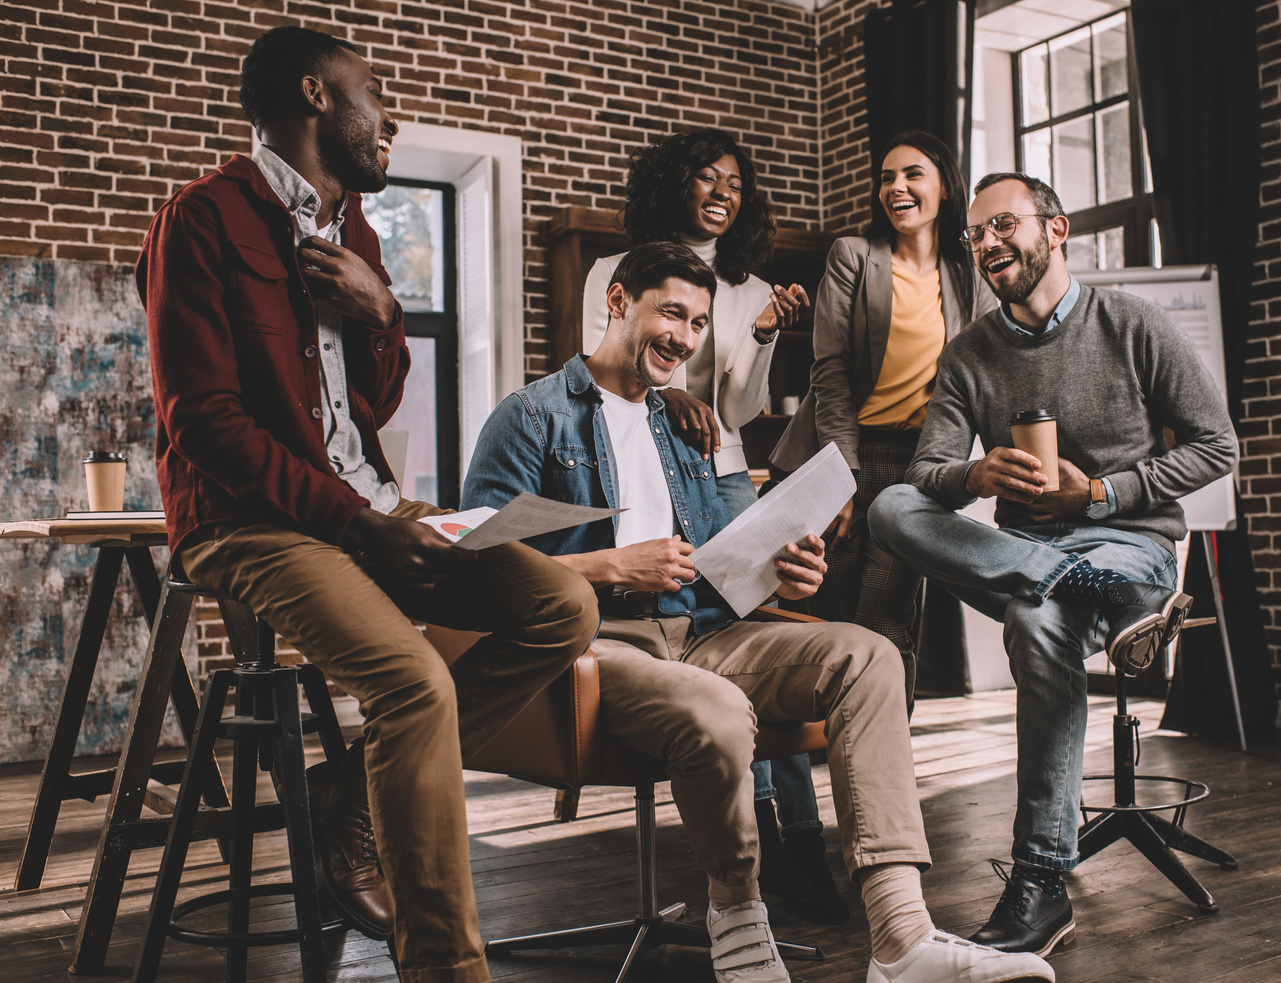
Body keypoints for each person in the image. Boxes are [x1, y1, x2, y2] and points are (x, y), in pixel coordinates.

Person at [136, 26, 599, 983]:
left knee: (564, 603)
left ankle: (348, 793)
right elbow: (204, 424)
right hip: (248, 522)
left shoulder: (354, 232)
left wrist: (384, 311)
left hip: (367, 503)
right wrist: (360, 528)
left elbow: (369, 405)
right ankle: (445, 967)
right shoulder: (205, 218)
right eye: (373, 91)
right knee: (414, 684)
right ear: (315, 95)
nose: (387, 115)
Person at [463, 240, 1055, 983]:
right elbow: (475, 566)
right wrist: (612, 565)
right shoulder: (530, 418)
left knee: (868, 653)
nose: (685, 337)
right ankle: (739, 920)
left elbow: (718, 570)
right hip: (596, 644)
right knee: (716, 705)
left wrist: (782, 577)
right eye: (671, 312)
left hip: (704, 633)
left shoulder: (682, 424)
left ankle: (902, 936)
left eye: (699, 322)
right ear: (617, 303)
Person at [868, 172, 1238, 956]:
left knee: (1040, 623)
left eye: (1004, 225)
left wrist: (1100, 491)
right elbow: (926, 473)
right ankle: (1088, 591)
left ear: (1056, 228)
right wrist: (976, 475)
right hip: (1025, 553)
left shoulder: (1132, 324)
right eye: (977, 235)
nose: (989, 243)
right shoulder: (968, 355)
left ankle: (1039, 880)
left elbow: (1217, 445)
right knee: (889, 509)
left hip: (1124, 539)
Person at [583, 128, 842, 924]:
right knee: (714, 653)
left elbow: (736, 410)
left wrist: (763, 334)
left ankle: (801, 838)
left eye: (736, 181)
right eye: (707, 177)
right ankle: (755, 836)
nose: (724, 191)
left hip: (721, 473)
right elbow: (593, 381)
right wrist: (669, 397)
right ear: (675, 184)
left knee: (760, 642)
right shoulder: (609, 272)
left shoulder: (749, 284)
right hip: (641, 479)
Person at [769, 130, 999, 703]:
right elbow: (831, 371)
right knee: (825, 611)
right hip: (840, 450)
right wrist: (840, 476)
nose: (896, 187)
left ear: (944, 187)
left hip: (918, 466)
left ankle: (882, 753)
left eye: (912, 174)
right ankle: (809, 755)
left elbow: (988, 370)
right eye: (887, 177)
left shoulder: (970, 273)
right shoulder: (854, 255)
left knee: (889, 617)